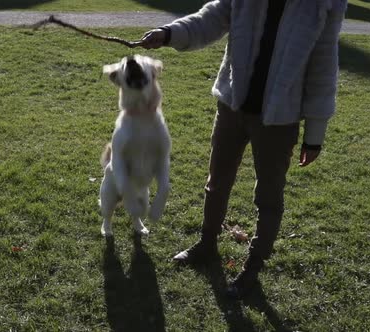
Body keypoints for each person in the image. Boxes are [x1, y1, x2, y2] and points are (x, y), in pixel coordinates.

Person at [139, 0, 348, 298]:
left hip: (279, 118)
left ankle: (252, 268)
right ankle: (207, 244)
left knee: (269, 195)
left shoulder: (323, 4)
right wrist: (168, 32)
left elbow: (324, 64)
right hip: (232, 106)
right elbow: (209, 19)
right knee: (217, 181)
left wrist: (315, 133)